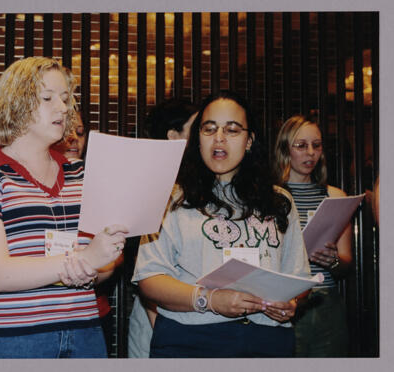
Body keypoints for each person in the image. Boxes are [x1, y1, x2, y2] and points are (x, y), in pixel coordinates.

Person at [0, 56, 128, 358]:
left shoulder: (81, 175)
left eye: (65, 99)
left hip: (86, 331)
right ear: (15, 104)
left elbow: (102, 270)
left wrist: (102, 259)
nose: (63, 108)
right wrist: (83, 260)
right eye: (47, 98)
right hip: (15, 339)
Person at [132, 90, 311, 358]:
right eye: (209, 129)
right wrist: (210, 299)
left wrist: (291, 303)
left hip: (269, 339)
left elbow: (299, 276)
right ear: (197, 139)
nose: (219, 138)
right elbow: (149, 279)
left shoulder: (279, 201)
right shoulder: (170, 198)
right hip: (191, 340)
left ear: (249, 141)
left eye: (232, 130)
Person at [273, 114, 352, 357]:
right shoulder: (269, 196)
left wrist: (333, 261)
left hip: (326, 301)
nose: (310, 153)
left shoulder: (335, 196)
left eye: (316, 145)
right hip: (286, 300)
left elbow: (346, 264)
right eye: (301, 145)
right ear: (286, 149)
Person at [128, 98, 198, 358]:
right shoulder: (151, 186)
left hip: (198, 309)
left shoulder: (202, 185)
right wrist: (157, 318)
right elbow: (137, 257)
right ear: (173, 136)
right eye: (198, 127)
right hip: (155, 310)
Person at [51, 110, 120, 356]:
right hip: (39, 313)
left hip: (91, 312)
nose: (74, 139)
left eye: (80, 133)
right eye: (66, 130)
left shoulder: (98, 186)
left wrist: (87, 269)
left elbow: (113, 258)